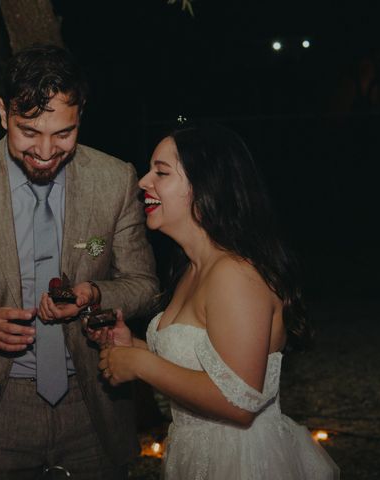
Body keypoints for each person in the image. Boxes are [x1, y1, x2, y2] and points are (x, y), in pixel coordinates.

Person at [0, 45, 159, 480]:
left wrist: (94, 294)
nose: (46, 151)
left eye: (64, 134)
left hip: (94, 403)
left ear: (81, 114)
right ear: (2, 113)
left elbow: (143, 284)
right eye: (29, 131)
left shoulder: (115, 180)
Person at [93, 124, 340, 479]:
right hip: (195, 455)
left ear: (206, 186)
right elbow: (201, 367)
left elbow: (238, 401)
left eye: (161, 172)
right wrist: (133, 348)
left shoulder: (235, 275)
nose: (143, 182)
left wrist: (140, 366)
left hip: (241, 462)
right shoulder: (193, 269)